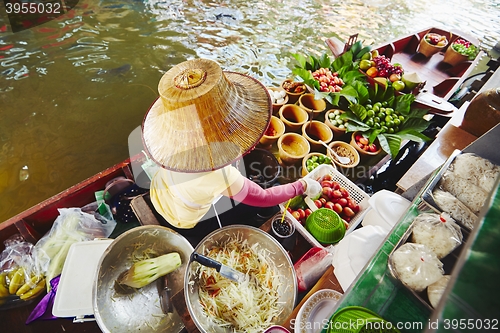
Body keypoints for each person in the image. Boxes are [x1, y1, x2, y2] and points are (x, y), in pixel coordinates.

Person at [141, 58, 320, 233]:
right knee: (251, 208)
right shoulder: (218, 174)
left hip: (160, 194)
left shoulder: (171, 139)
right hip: (181, 218)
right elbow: (263, 197)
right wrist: (302, 185)